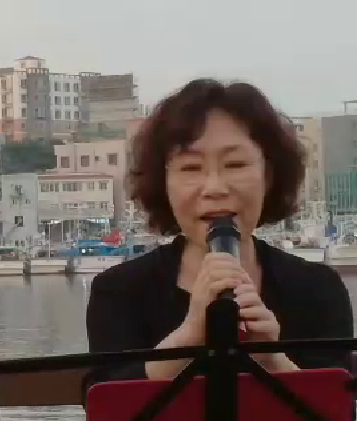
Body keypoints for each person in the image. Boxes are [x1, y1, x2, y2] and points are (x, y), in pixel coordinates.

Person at [85, 78, 354, 390]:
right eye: (191, 168)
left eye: (235, 164)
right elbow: (108, 407)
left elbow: (336, 415)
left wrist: (271, 358)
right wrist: (189, 335)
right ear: (163, 183)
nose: (214, 188)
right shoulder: (118, 292)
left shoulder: (318, 289)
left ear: (269, 176)